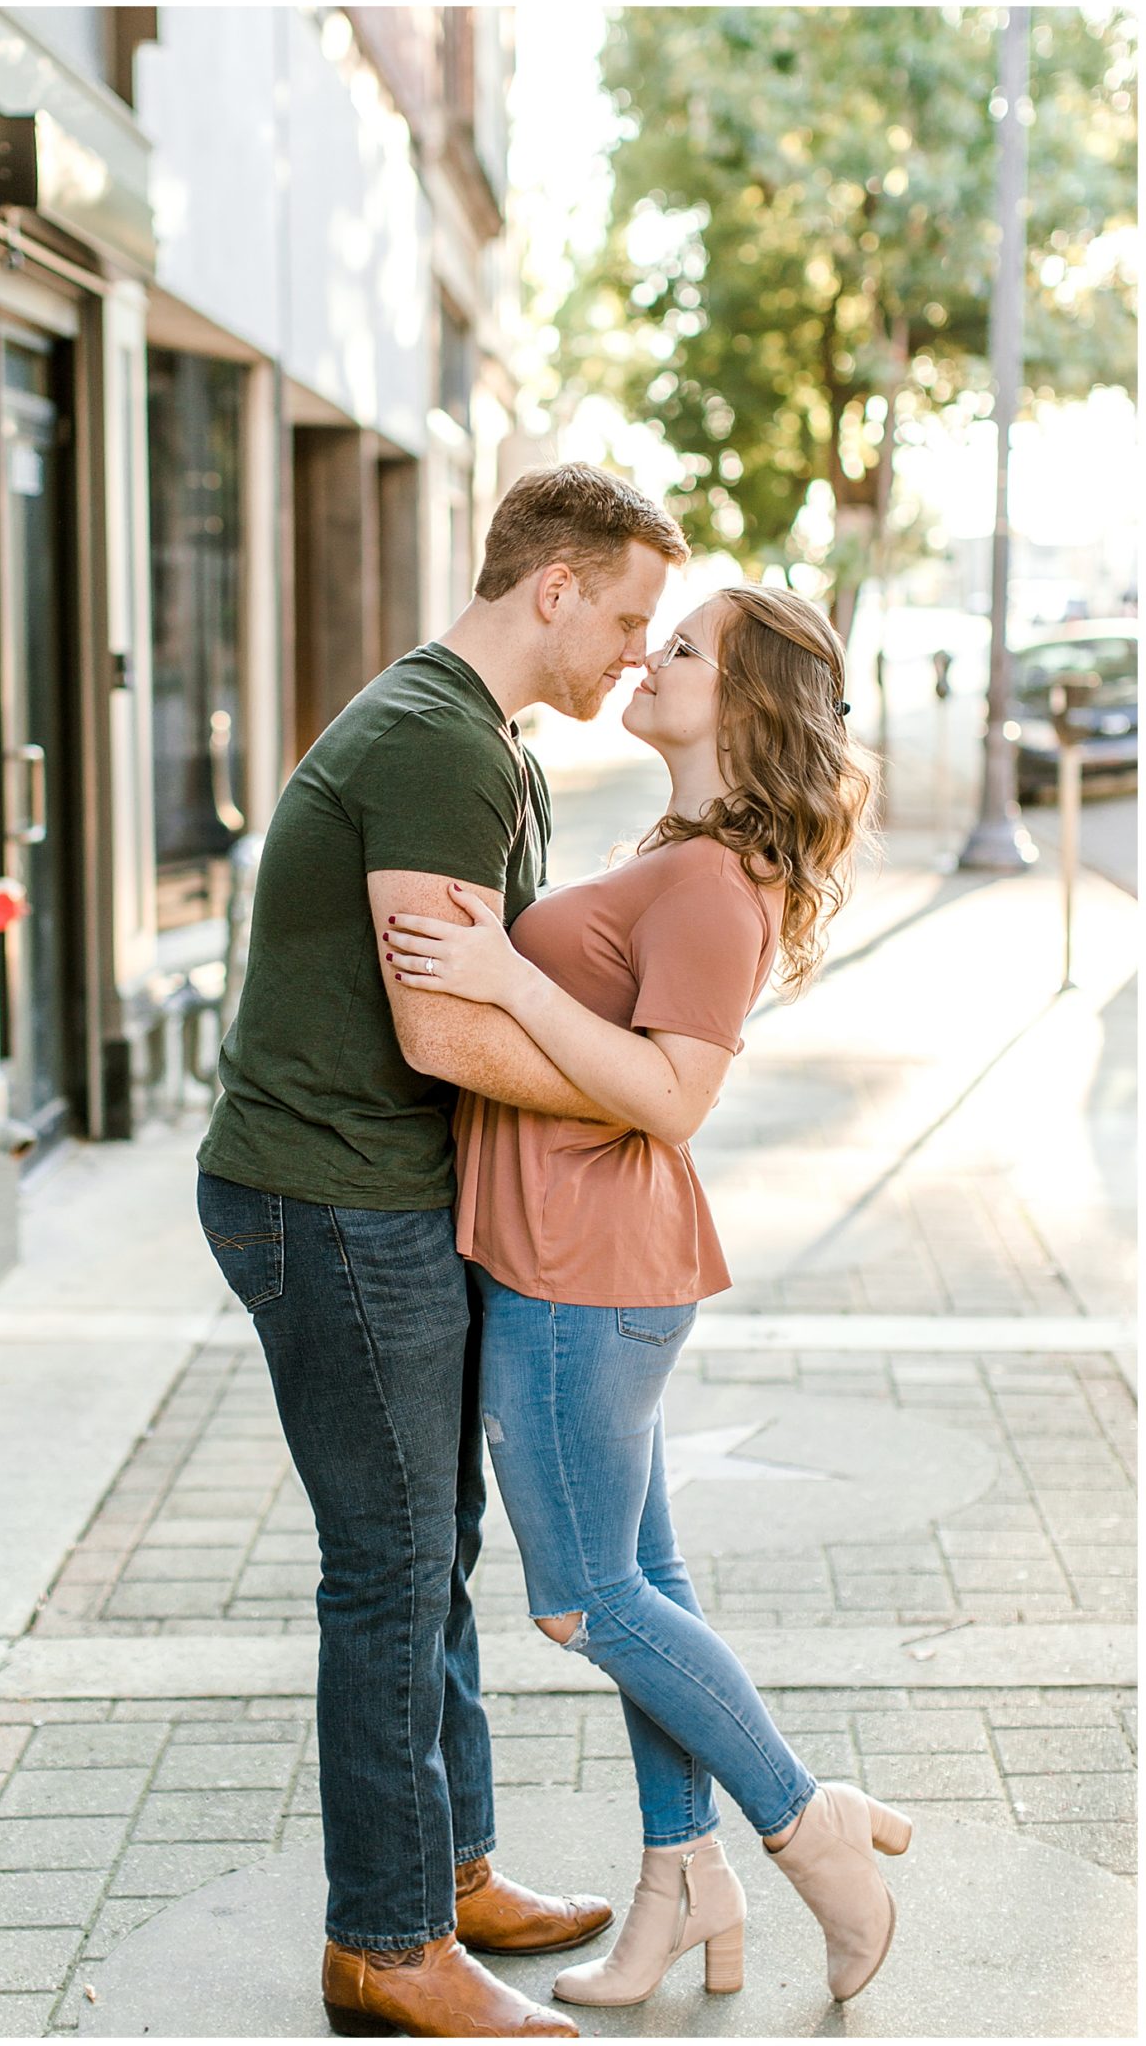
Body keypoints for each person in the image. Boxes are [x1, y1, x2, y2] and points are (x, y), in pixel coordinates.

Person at [196, 463, 691, 2038]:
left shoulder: (474, 739)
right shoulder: (434, 751)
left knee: (433, 1545)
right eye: (623, 618)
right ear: (553, 588)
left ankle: (450, 1870)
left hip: (374, 1195)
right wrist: (646, 1103)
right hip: (332, 1202)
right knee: (392, 1566)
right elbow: (444, 1028)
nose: (630, 651)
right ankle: (386, 1943)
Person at [382, 585, 913, 2013]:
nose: (648, 654)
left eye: (682, 646)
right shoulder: (677, 850)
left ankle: (815, 1831)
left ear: (741, 703)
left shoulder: (707, 881)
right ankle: (688, 1882)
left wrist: (501, 972)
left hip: (586, 1269)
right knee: (644, 1582)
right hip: (574, 1255)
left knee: (585, 1601)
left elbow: (674, 1099)